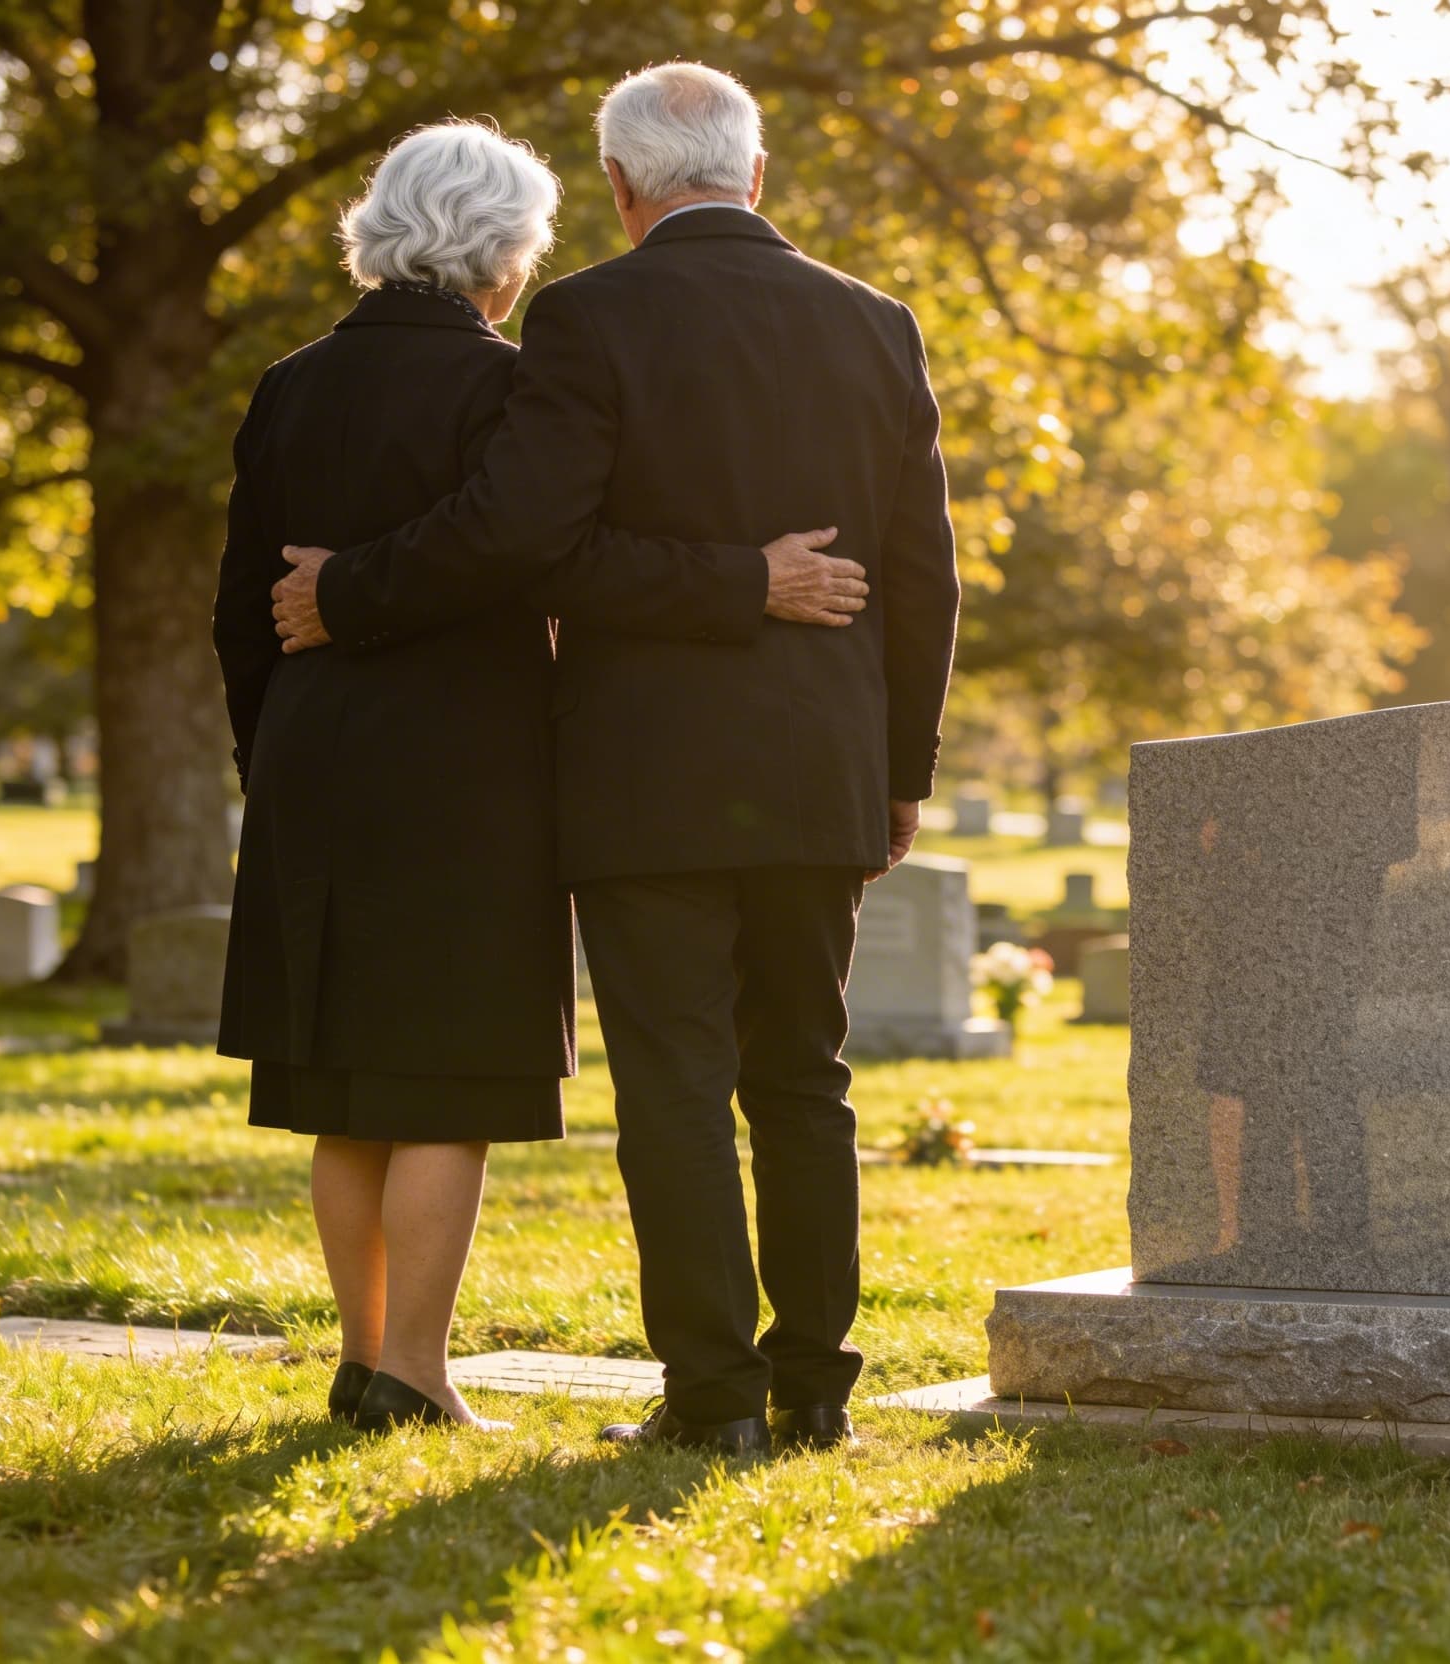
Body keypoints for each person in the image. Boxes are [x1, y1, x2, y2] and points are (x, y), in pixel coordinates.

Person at [270, 63, 961, 1458]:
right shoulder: (876, 322)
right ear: (754, 176)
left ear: (622, 188)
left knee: (675, 1088)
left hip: (648, 774)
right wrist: (900, 770)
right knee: (805, 1080)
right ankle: (817, 1392)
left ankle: (712, 1399)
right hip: (825, 766)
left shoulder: (584, 314)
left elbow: (534, 538)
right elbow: (924, 576)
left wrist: (349, 593)